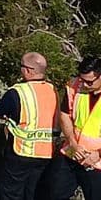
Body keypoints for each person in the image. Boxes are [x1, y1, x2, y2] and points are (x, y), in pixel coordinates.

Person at [0, 52, 58, 200]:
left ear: (28, 70)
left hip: (21, 152)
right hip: (46, 153)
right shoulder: (53, 91)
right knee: (34, 193)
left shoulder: (18, 92)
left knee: (11, 193)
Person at [50, 56, 101, 200]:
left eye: (89, 81)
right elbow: (65, 115)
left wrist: (98, 154)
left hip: (96, 163)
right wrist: (72, 142)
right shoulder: (74, 85)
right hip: (71, 152)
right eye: (82, 79)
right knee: (53, 193)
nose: (84, 84)